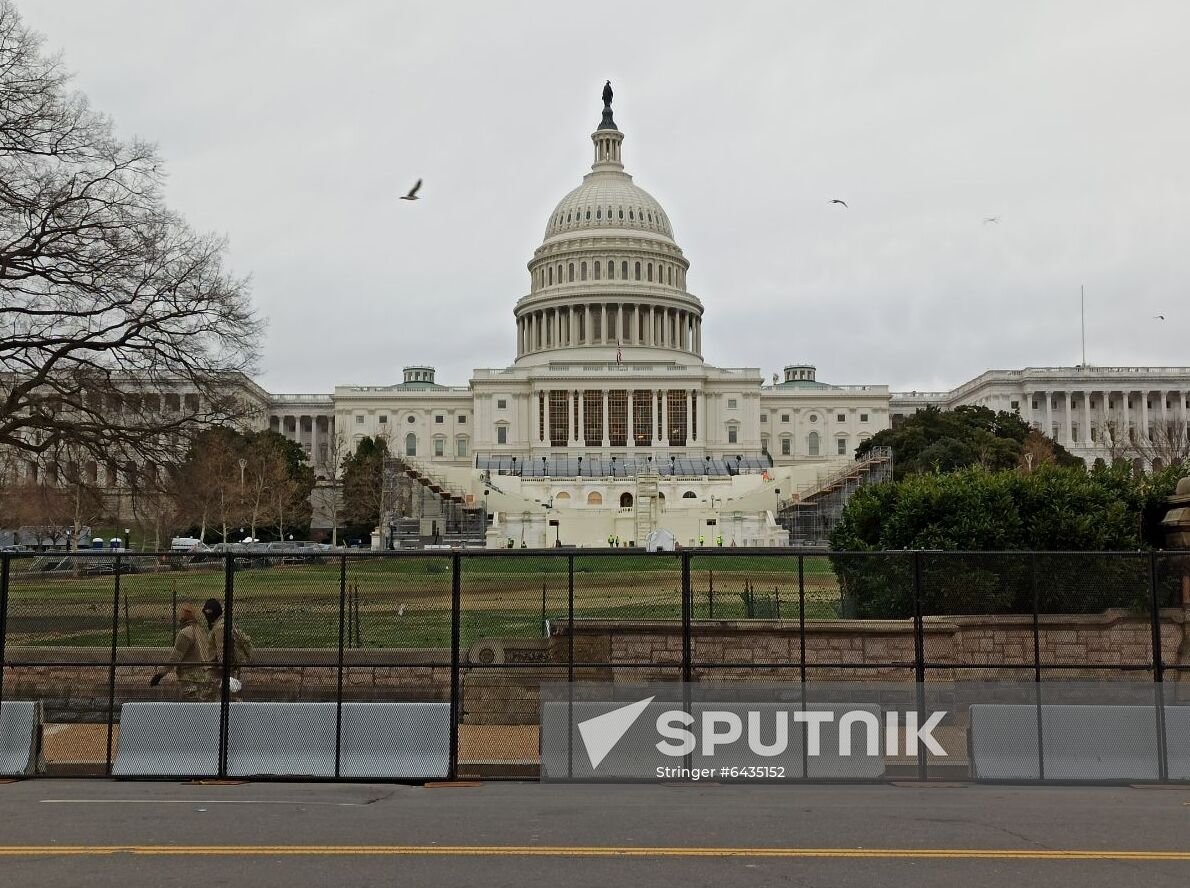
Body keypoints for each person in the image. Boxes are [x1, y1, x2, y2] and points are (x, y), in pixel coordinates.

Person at [150, 605, 212, 699]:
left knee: (189, 708)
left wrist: (160, 675)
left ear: (184, 618)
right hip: (204, 676)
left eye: (181, 616)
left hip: (190, 678)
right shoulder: (201, 631)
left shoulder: (185, 633)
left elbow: (175, 657)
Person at [202, 598, 253, 699]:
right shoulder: (223, 624)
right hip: (224, 673)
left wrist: (224, 673)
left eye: (207, 613)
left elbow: (222, 650)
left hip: (218, 674)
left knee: (214, 700)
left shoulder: (220, 628)